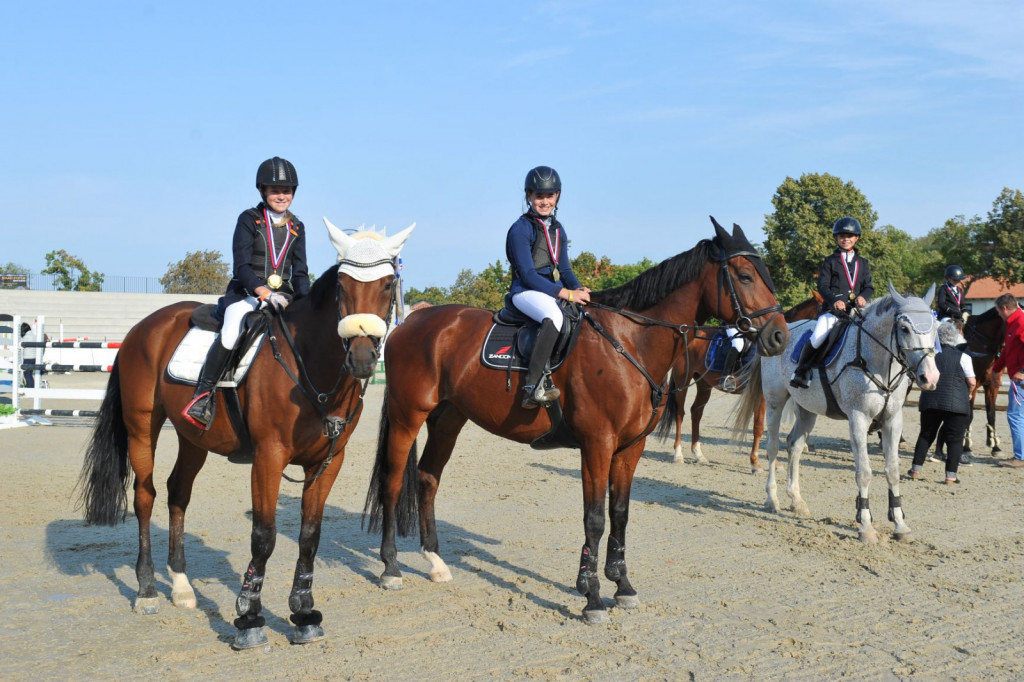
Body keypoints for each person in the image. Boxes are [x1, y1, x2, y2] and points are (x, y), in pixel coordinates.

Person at [182, 157, 310, 429]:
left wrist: (307, 302)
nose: (281, 195)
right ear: (263, 191)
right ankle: (203, 396)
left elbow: (300, 273)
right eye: (275, 190)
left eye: (286, 190)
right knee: (232, 328)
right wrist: (263, 292)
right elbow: (241, 266)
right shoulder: (249, 220)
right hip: (246, 294)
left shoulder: (297, 226)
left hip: (284, 297)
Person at [505, 166, 590, 409]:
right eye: (539, 196)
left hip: (548, 290)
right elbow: (529, 274)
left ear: (557, 196)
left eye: (549, 196)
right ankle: (532, 386)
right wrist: (564, 292)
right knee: (554, 315)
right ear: (529, 197)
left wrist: (579, 289)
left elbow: (564, 271)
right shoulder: (520, 229)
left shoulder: (558, 229)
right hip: (524, 291)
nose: (544, 201)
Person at [790, 217, 874, 388]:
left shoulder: (863, 263)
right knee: (817, 337)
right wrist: (835, 300)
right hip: (834, 312)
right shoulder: (830, 261)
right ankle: (801, 371)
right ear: (836, 238)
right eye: (842, 236)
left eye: (850, 236)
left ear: (856, 238)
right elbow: (822, 285)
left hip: (857, 312)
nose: (846, 239)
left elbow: (869, 287)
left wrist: (863, 296)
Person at [907, 320, 976, 484]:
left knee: (925, 435)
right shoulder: (964, 357)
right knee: (955, 440)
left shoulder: (929, 355)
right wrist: (970, 394)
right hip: (957, 403)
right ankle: (950, 476)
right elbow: (972, 381)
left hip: (931, 400)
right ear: (955, 338)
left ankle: (916, 470)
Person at [992, 293, 1024, 467]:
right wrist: (996, 370)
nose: (997, 314)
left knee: (1015, 416)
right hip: (1017, 377)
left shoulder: (1021, 322)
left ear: (1004, 308)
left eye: (997, 310)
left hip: (1020, 380)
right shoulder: (1012, 324)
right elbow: (1007, 351)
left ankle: (1020, 457)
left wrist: (1023, 371)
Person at [20, 322, 37, 389]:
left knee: (27, 374)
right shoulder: (34, 335)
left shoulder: (26, 337)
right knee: (30, 373)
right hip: (34, 357)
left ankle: (30, 387)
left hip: (28, 357)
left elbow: (20, 345)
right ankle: (31, 386)